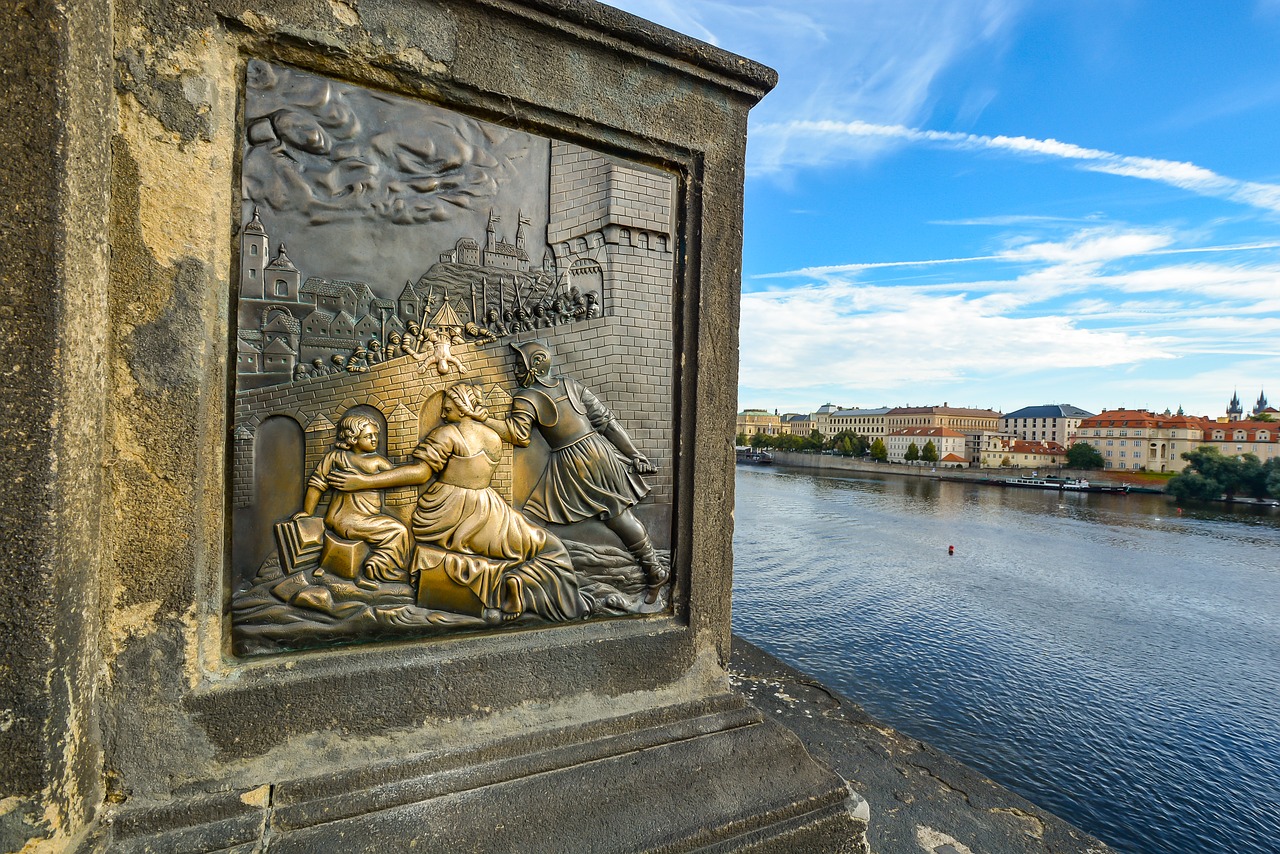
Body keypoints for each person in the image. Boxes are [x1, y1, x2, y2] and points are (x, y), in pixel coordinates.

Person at [329, 384, 587, 623]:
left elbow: (420, 474)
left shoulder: (446, 434)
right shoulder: (493, 437)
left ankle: (509, 581)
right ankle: (517, 580)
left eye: (448, 407)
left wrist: (362, 481)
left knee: (542, 546)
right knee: (550, 547)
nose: (442, 412)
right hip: (490, 510)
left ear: (462, 406)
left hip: (446, 514)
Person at [498, 341, 668, 602]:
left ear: (536, 365)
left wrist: (479, 418)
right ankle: (652, 569)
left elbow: (519, 435)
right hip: (599, 453)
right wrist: (633, 453)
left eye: (520, 364)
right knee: (617, 515)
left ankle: (537, 575)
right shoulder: (572, 386)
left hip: (573, 461)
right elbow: (607, 423)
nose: (515, 369)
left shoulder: (527, 397)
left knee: (535, 517)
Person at [295, 414, 410, 589]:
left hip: (363, 519)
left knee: (393, 529)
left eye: (375, 435)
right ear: (353, 438)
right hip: (348, 520)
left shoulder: (377, 461)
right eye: (367, 436)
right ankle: (377, 568)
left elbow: (398, 477)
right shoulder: (335, 458)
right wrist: (308, 511)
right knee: (398, 531)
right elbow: (317, 483)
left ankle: (375, 566)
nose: (374, 439)